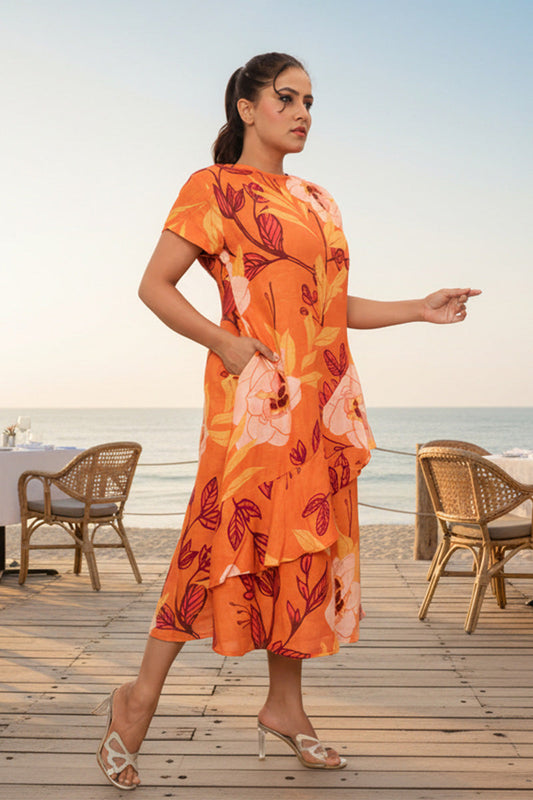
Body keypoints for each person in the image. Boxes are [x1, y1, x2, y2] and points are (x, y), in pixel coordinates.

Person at [93, 52, 480, 789]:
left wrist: (417, 311)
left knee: (301, 552)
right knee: (214, 541)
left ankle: (285, 708)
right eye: (286, 97)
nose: (302, 112)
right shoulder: (211, 189)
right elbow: (155, 285)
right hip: (252, 407)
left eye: (309, 101)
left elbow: (331, 310)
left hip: (320, 406)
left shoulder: (317, 200)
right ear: (246, 106)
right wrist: (224, 341)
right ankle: (136, 701)